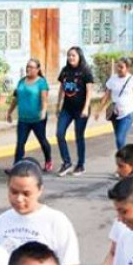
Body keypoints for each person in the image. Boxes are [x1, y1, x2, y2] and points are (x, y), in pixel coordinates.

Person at [0, 159, 82, 265]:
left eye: (26, 194)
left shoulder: (56, 222)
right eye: (13, 192)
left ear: (40, 190)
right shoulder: (1, 222)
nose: (19, 199)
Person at [7, 58, 53, 173]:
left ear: (37, 69)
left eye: (32, 67)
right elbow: (16, 98)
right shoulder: (21, 81)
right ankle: (16, 166)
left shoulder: (41, 82)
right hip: (23, 119)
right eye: (28, 66)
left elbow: (44, 99)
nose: (29, 69)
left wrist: (43, 111)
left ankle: (48, 160)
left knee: (42, 140)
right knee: (20, 143)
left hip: (37, 119)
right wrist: (9, 112)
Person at [56, 46, 96, 176]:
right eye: (69, 55)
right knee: (59, 133)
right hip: (67, 109)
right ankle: (66, 162)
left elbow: (90, 91)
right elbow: (62, 89)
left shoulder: (85, 71)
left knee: (79, 136)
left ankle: (80, 165)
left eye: (73, 55)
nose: (70, 58)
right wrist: (58, 105)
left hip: (81, 110)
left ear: (79, 56)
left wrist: (86, 108)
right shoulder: (65, 71)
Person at [100, 58, 133, 151]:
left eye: (121, 67)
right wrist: (99, 110)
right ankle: (124, 158)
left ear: (127, 68)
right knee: (119, 140)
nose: (119, 69)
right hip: (115, 114)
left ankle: (123, 159)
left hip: (128, 114)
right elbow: (107, 95)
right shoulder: (113, 79)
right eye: (118, 66)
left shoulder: (132, 80)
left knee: (120, 139)